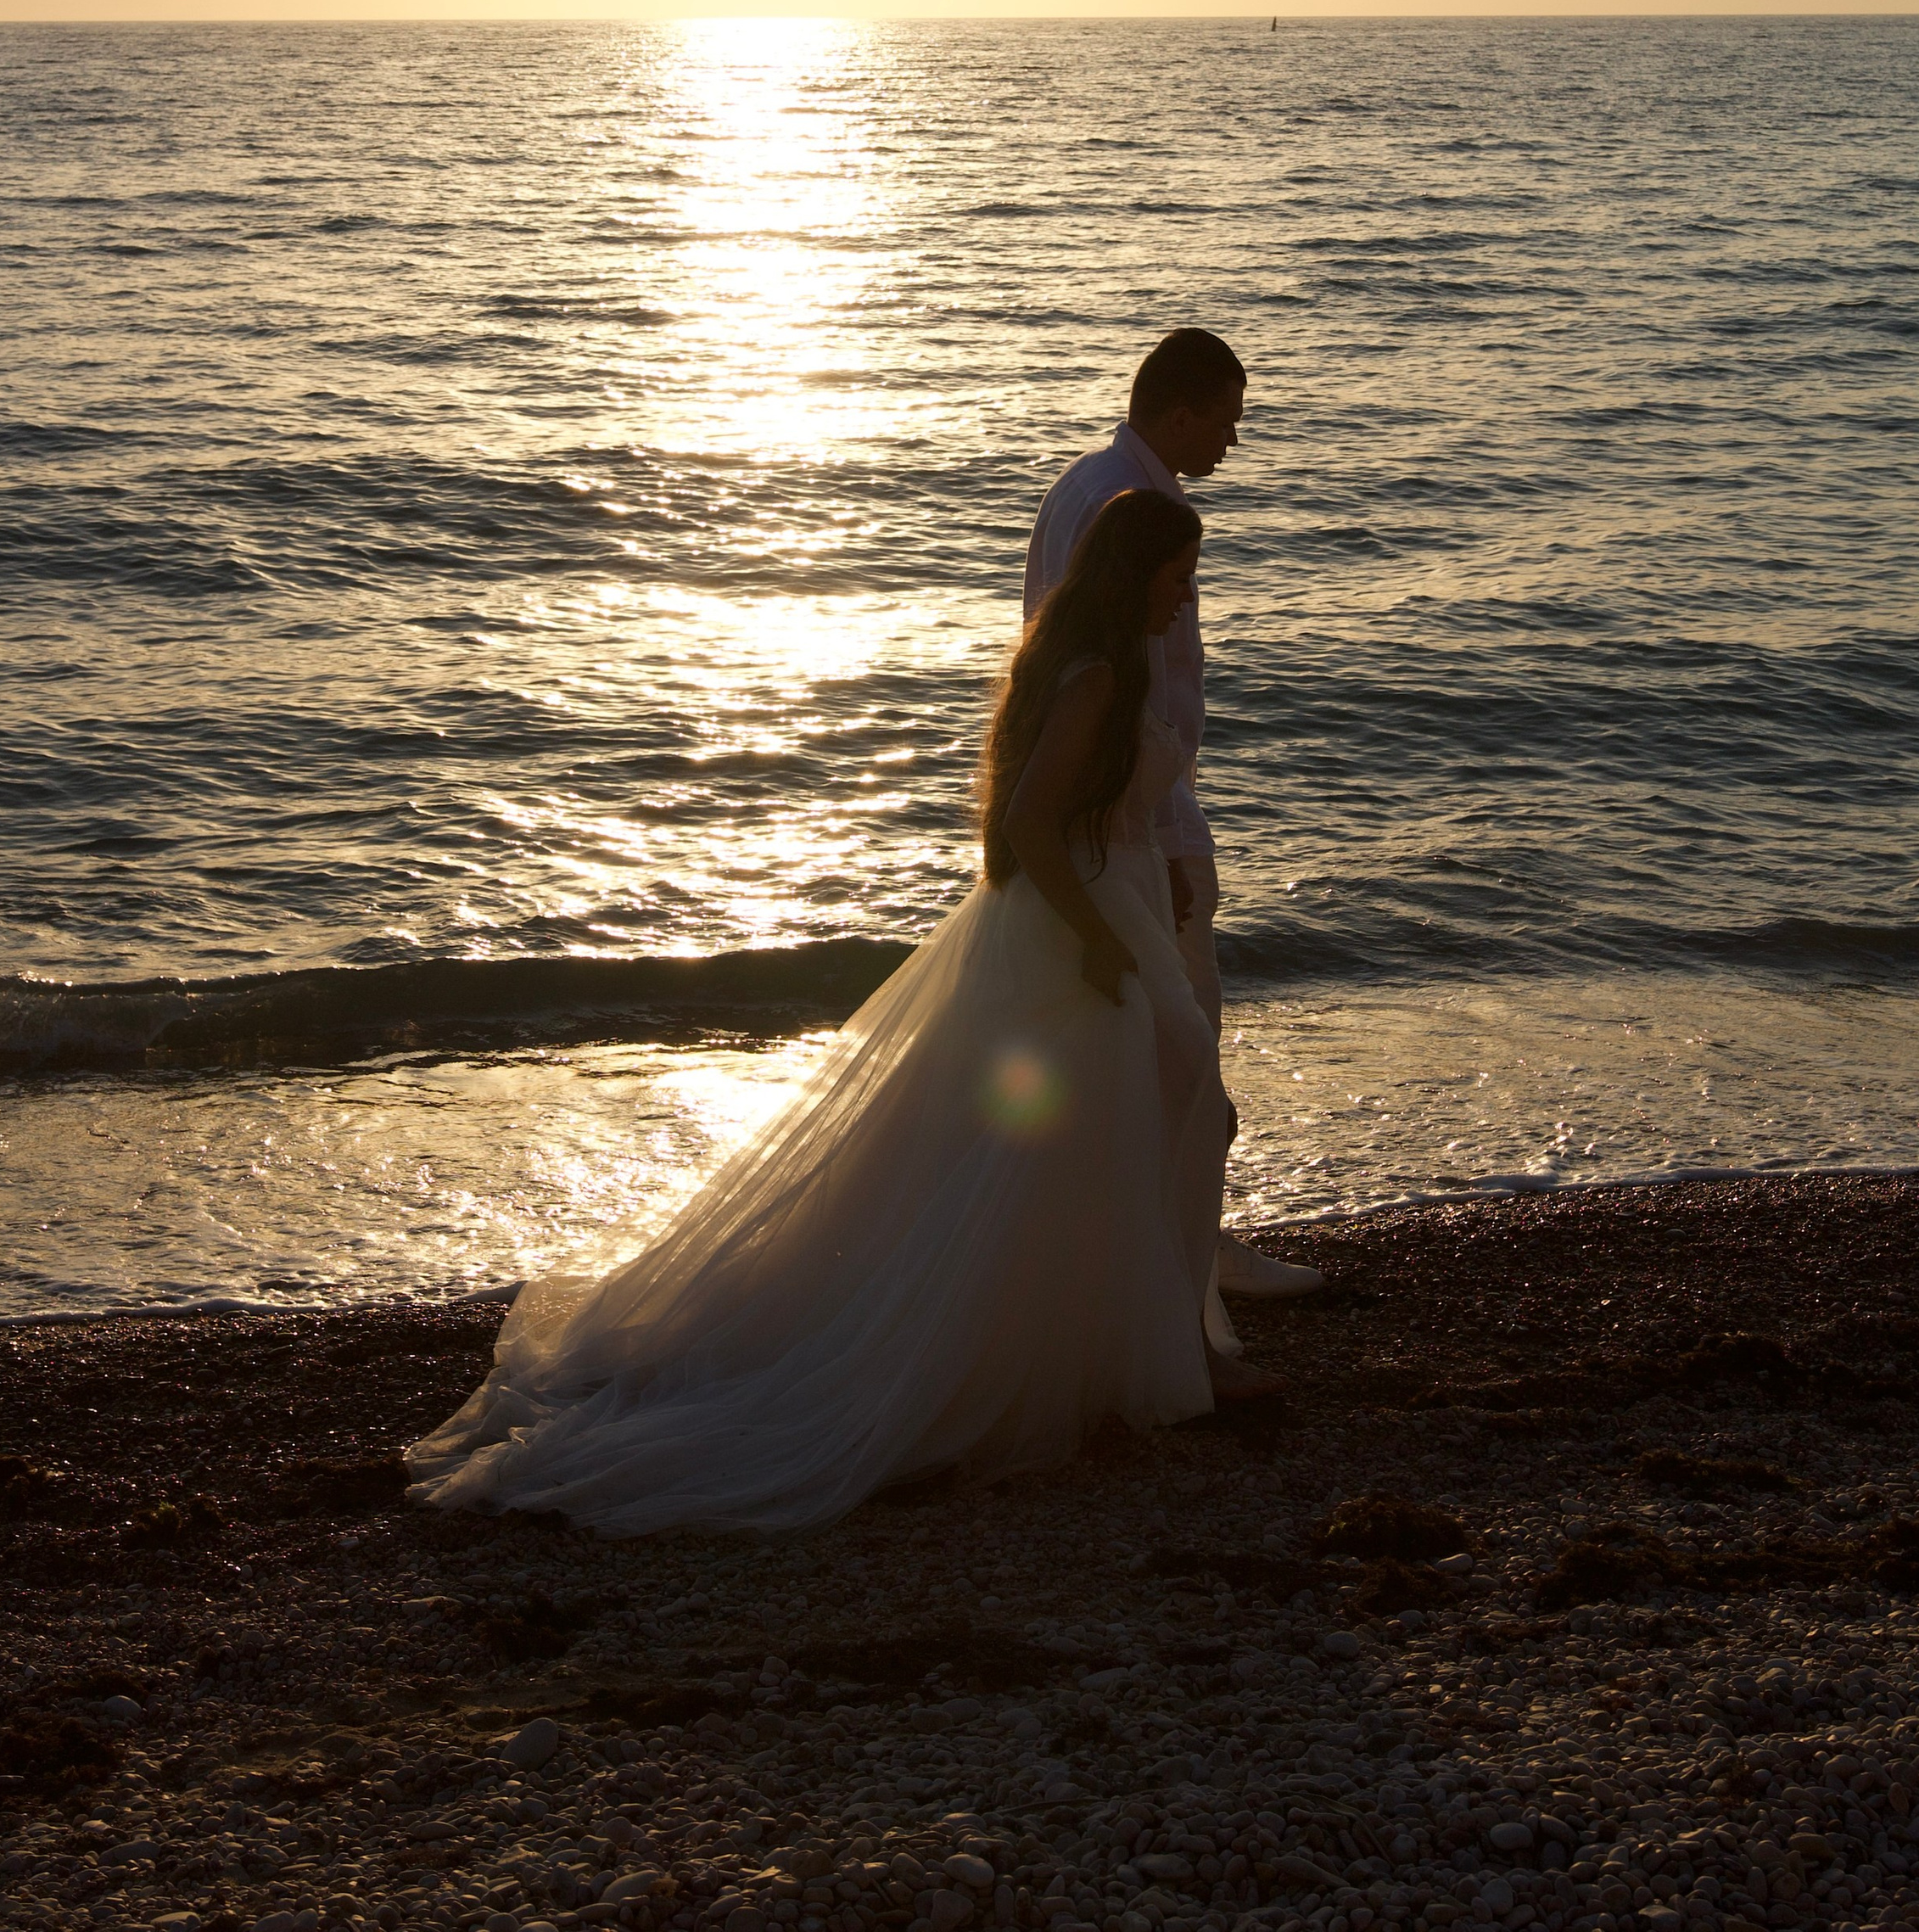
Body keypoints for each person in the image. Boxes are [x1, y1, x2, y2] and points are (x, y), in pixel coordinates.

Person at [405, 490, 1271, 1537]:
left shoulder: (1107, 669)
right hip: (1090, 929)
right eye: (1178, 579)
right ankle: (1166, 1363)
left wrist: (1157, 885)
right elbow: (1026, 826)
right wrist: (1095, 939)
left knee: (1150, 1124)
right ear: (1136, 576)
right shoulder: (1091, 678)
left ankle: (1153, 1352)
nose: (1186, 601)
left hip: (1121, 913)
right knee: (1162, 1116)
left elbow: (1095, 811)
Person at [1025, 328, 1323, 1304]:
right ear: (1181, 409)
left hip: (1145, 808)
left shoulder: (1116, 490)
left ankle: (1176, 1242)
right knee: (1181, 1053)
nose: (1233, 442)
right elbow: (1113, 693)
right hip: (1133, 820)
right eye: (1227, 422)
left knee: (1160, 1052)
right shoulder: (1121, 505)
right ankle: (1184, 1259)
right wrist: (1164, 841)